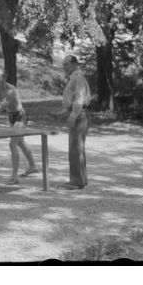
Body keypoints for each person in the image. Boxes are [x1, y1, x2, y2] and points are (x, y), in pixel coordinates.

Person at [53, 55, 91, 190]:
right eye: (63, 65)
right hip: (77, 114)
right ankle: (81, 179)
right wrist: (61, 113)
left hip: (79, 115)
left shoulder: (78, 78)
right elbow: (72, 101)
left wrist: (73, 117)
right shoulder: (74, 78)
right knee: (76, 148)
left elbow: (79, 100)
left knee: (76, 149)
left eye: (66, 64)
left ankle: (77, 181)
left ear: (75, 63)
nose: (64, 67)